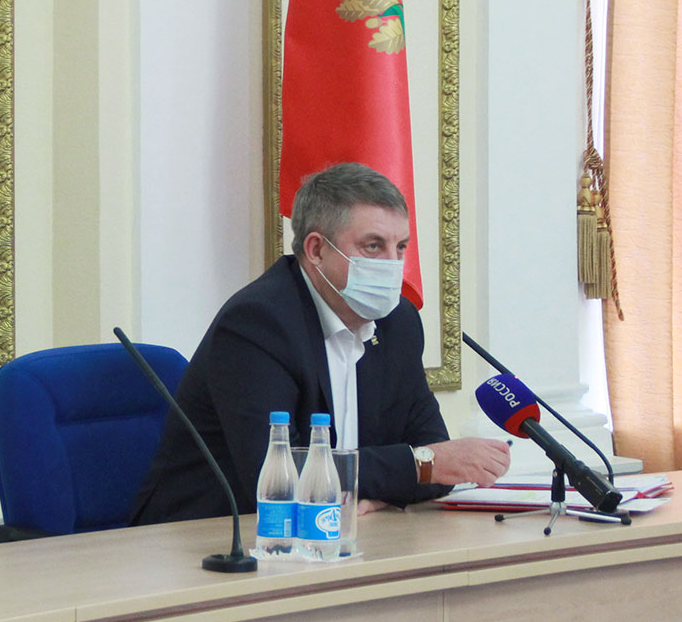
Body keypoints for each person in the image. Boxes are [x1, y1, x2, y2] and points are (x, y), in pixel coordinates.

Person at [132, 162, 510, 524]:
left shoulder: (399, 323)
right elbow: (278, 475)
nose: (393, 265)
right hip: (206, 539)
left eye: (401, 247)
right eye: (373, 246)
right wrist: (414, 469)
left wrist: (392, 482)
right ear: (316, 250)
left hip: (337, 533)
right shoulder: (257, 324)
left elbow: (436, 455)